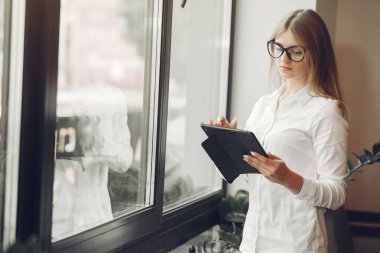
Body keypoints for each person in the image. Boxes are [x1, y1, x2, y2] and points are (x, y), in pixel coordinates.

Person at [208, 9, 348, 253]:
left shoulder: (326, 112)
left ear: (316, 53)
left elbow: (336, 195)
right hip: (253, 241)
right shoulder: (264, 105)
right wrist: (231, 144)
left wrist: (289, 178)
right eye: (278, 48)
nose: (283, 58)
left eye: (295, 51)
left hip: (295, 245)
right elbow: (253, 175)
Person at [52, 83, 133, 240]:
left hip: (96, 221)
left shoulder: (113, 98)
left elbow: (125, 160)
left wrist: (99, 141)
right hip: (55, 222)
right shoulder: (51, 90)